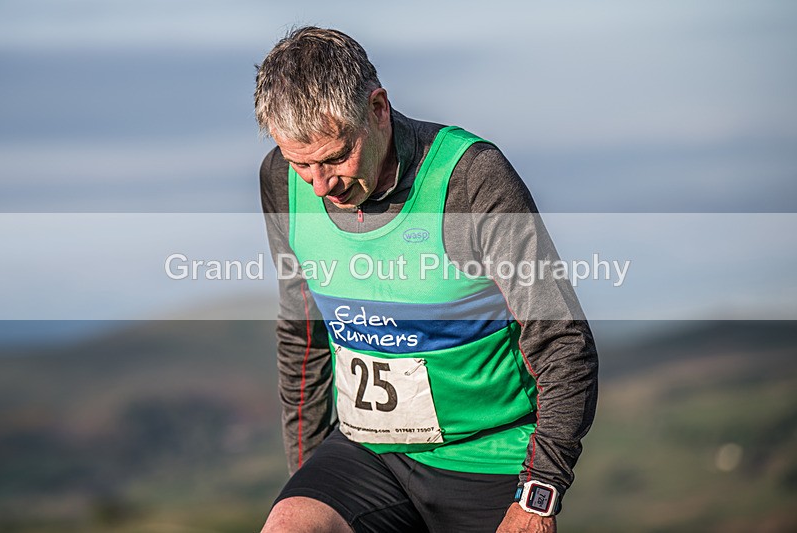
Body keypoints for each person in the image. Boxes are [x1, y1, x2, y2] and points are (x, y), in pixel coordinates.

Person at [254, 26, 598, 533]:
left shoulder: (472, 178)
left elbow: (562, 342)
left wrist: (538, 497)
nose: (321, 185)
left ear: (377, 109)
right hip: (368, 453)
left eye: (333, 157)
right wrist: (305, 476)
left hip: (491, 459)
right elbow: (303, 336)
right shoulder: (280, 181)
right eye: (300, 162)